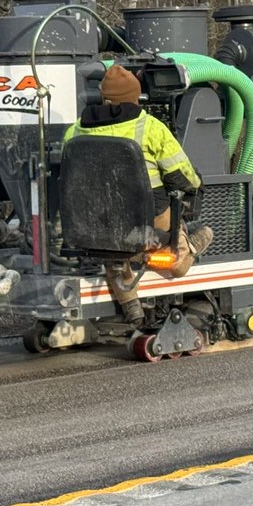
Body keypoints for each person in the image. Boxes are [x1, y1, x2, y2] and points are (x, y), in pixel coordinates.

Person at [65, 64, 214, 324]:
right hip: (148, 224)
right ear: (135, 97)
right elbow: (183, 176)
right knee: (177, 263)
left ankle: (132, 306)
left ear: (102, 96)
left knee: (113, 252)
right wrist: (196, 185)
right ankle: (190, 244)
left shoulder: (74, 131)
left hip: (97, 227)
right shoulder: (150, 127)